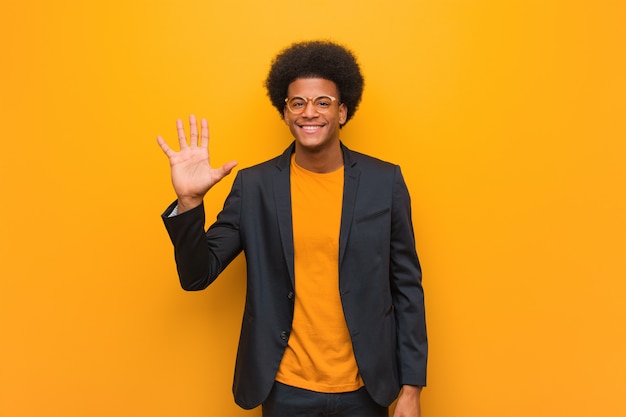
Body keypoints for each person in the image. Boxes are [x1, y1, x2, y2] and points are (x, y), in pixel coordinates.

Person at [157, 40, 427, 417]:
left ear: (343, 111)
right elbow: (197, 275)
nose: (309, 112)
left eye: (322, 102)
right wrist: (189, 203)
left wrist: (412, 389)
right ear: (284, 113)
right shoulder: (254, 187)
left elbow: (407, 290)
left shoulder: (385, 183)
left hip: (367, 389)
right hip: (285, 390)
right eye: (297, 102)